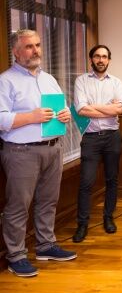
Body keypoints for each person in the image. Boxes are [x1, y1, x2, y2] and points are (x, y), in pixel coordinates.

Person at [0, 29, 77, 277]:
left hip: (53, 148)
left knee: (48, 201)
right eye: (29, 46)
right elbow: (1, 119)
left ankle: (45, 246)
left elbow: (61, 107)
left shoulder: (49, 79)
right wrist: (30, 117)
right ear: (16, 52)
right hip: (22, 152)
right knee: (18, 206)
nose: (36, 51)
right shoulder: (6, 81)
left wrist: (65, 113)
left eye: (38, 45)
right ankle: (16, 256)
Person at [72, 44, 122, 243]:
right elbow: (81, 109)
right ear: (91, 59)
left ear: (109, 60)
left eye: (104, 56)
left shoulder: (116, 82)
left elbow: (118, 110)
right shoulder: (81, 81)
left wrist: (93, 106)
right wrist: (107, 108)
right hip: (91, 138)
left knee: (112, 179)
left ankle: (108, 217)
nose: (101, 60)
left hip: (112, 136)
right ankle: (82, 224)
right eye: (97, 56)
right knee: (86, 181)